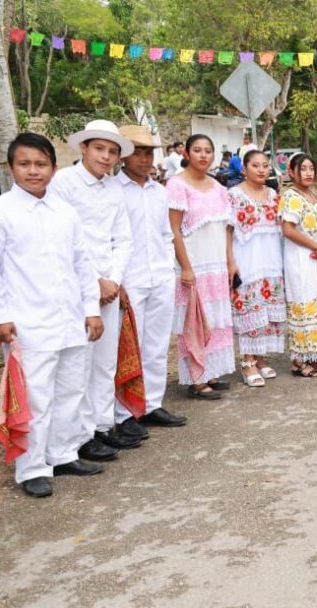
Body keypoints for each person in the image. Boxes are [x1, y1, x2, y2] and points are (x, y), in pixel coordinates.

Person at [0, 133, 105, 497]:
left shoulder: (65, 212)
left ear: (54, 169)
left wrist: (91, 311)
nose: (33, 171)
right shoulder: (2, 211)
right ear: (10, 168)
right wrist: (1, 316)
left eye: (41, 164)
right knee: (36, 398)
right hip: (28, 323)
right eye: (24, 164)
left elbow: (81, 263)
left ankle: (62, 453)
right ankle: (32, 468)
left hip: (70, 318)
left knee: (71, 389)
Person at [49, 119, 138, 458]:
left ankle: (102, 426)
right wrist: (95, 280)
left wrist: (113, 278)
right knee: (80, 363)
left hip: (110, 287)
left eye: (112, 151)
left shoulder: (115, 187)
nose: (106, 156)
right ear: (83, 148)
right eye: (99, 148)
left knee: (105, 361)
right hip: (78, 286)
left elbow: (123, 238)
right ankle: (79, 435)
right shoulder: (64, 184)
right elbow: (68, 241)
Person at [115, 125, 188, 430]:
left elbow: (166, 233)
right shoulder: (113, 190)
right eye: (137, 152)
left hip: (159, 274)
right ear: (123, 156)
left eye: (149, 153)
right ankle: (125, 413)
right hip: (128, 278)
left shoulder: (160, 192)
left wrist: (169, 270)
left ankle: (152, 404)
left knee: (157, 345)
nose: (144, 159)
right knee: (129, 347)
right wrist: (115, 280)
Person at [168, 134, 236, 399]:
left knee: (216, 321)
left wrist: (230, 262)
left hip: (217, 265)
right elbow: (173, 230)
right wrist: (185, 267)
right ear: (187, 152)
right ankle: (196, 379)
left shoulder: (219, 188)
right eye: (197, 150)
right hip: (193, 265)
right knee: (195, 322)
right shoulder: (177, 186)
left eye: (208, 150)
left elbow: (227, 230)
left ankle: (212, 372)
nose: (203, 155)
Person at [227, 150, 286, 387]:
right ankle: (247, 361)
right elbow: (228, 230)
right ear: (244, 168)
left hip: (271, 261)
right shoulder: (234, 195)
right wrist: (230, 262)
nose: (262, 170)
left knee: (268, 313)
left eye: (265, 166)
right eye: (255, 165)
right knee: (250, 312)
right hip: (247, 260)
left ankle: (261, 358)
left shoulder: (273, 194)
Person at [280, 153, 317, 377]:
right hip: (302, 257)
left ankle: (311, 357)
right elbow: (288, 229)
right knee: (303, 302)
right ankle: (299, 361)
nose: (308, 173)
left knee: (316, 303)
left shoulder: (312, 194)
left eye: (311, 168)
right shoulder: (292, 196)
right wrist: (315, 246)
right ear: (292, 172)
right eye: (302, 168)